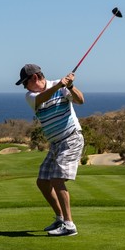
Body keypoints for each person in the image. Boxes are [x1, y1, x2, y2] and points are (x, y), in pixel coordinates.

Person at [15, 64, 85, 236]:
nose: (24, 87)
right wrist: (60, 85)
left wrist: (70, 86)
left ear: (34, 78)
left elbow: (80, 100)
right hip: (55, 144)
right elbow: (43, 98)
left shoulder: (60, 87)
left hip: (71, 138)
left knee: (56, 179)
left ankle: (69, 225)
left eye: (25, 83)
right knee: (43, 181)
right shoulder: (30, 96)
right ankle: (60, 218)